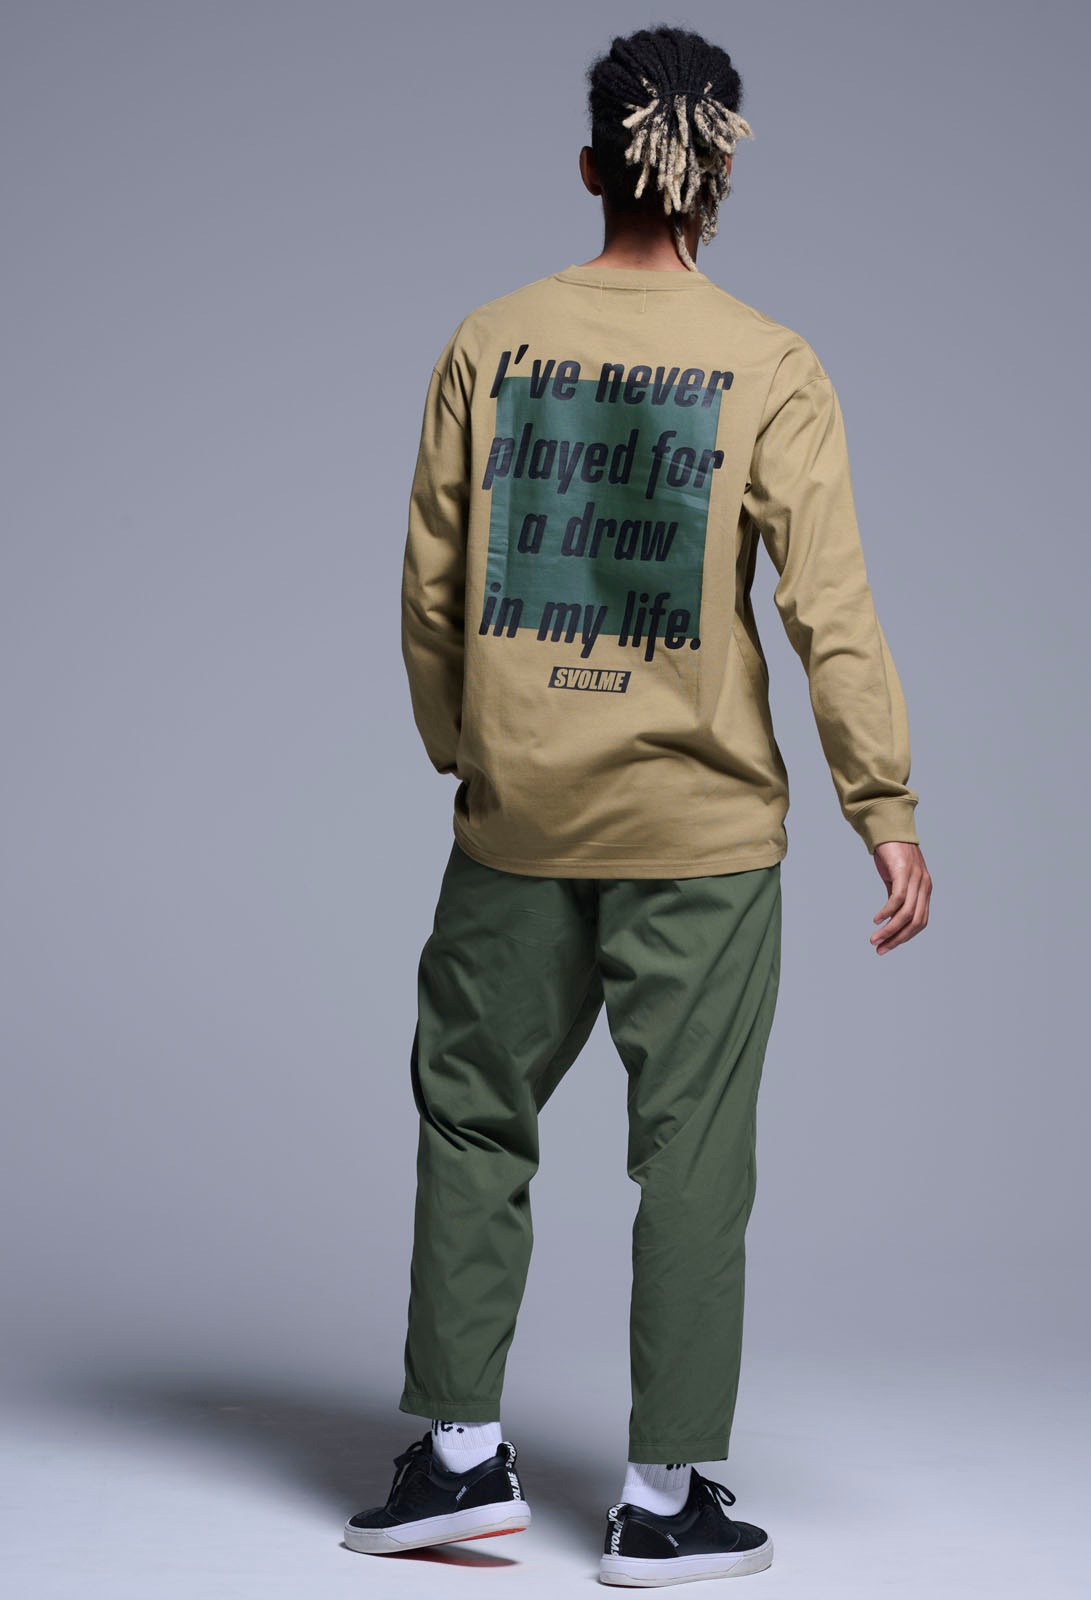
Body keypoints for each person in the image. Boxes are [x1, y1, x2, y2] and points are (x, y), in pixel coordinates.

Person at [343, 22, 932, 1588]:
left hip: (519, 822)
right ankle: (665, 1502)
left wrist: (471, 751)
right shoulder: (770, 361)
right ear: (721, 174)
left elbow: (429, 590)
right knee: (693, 1156)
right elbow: (829, 608)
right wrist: (883, 805)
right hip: (705, 837)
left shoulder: (489, 342)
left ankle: (457, 1462)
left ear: (591, 167)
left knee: (473, 1114)